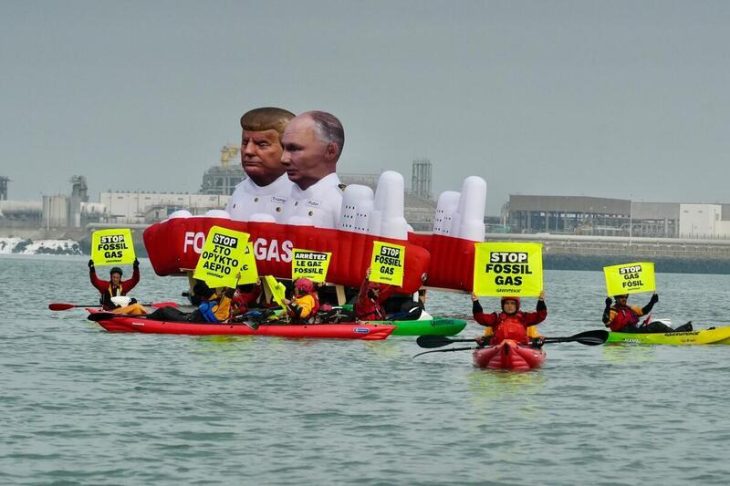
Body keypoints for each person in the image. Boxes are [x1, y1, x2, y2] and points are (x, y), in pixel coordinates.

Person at [225, 107, 296, 222]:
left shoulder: (301, 195)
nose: (248, 151)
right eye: (245, 143)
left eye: (262, 144)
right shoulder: (240, 192)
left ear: (287, 148)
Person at [281, 111, 345, 228]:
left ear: (330, 151)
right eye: (283, 148)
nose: (283, 159)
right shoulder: (282, 196)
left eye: (294, 149)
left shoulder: (342, 204)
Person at [472, 292, 547, 346]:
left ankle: (535, 342)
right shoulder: (496, 317)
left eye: (512, 303)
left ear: (517, 305)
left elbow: (540, 316)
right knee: (487, 339)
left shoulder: (524, 317)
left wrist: (541, 301)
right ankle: (486, 341)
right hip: (499, 346)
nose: (509, 306)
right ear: (503, 305)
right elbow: (480, 317)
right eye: (507, 303)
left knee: (534, 340)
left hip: (521, 346)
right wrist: (476, 302)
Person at [147, 281, 234, 323]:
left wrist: (235, 280)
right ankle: (150, 318)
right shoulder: (215, 299)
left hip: (189, 321)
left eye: (223, 292)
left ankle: (147, 320)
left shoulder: (223, 309)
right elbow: (201, 286)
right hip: (188, 317)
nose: (221, 293)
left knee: (163, 311)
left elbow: (229, 294)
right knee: (168, 308)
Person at [603, 294, 692, 333]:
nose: (624, 299)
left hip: (635, 331)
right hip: (624, 333)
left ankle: (682, 330)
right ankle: (680, 332)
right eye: (622, 297)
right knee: (657, 325)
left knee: (657, 325)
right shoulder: (613, 310)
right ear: (616, 298)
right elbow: (606, 321)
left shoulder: (629, 308)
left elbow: (643, 311)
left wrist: (652, 302)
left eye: (626, 297)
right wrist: (607, 306)